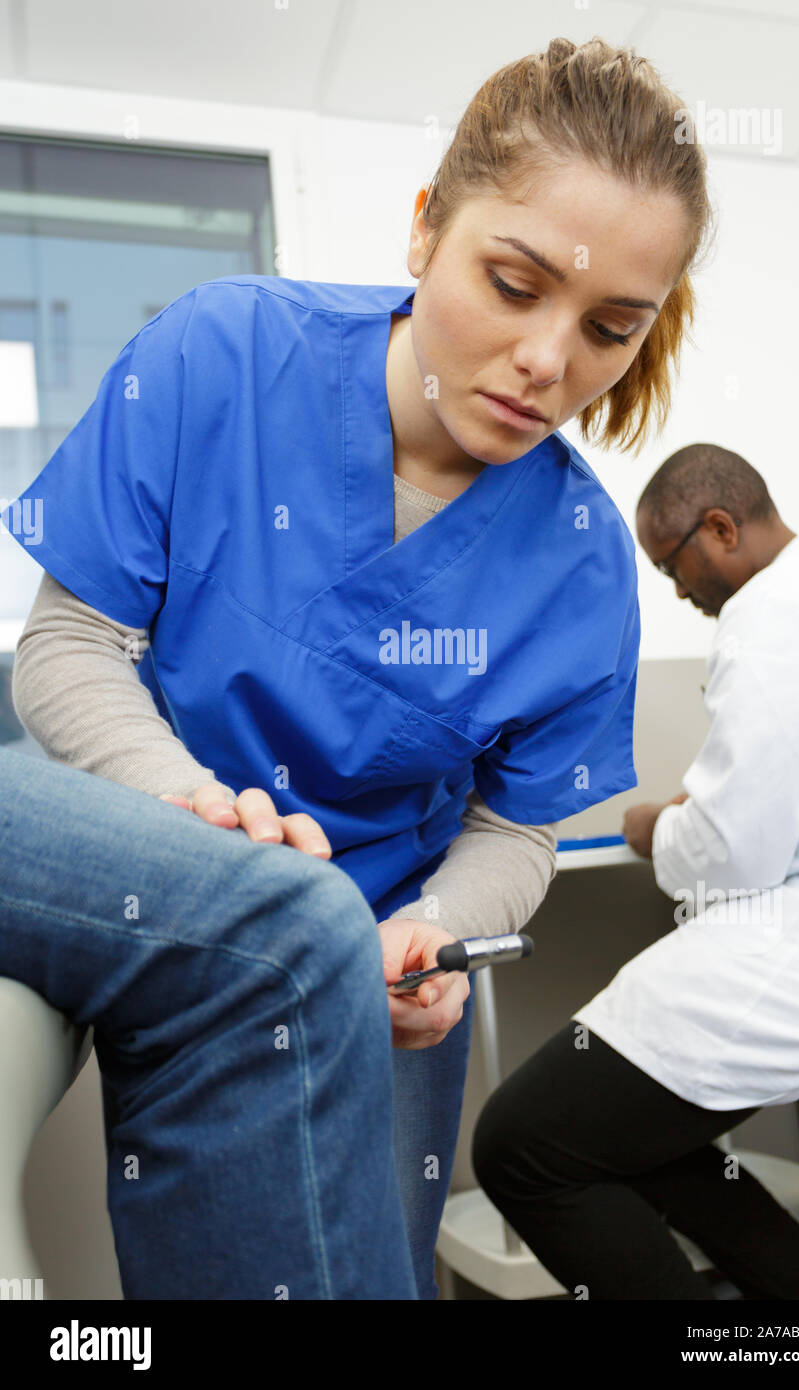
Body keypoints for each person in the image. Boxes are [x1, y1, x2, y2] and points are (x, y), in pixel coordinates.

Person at [2, 36, 712, 1298]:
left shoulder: (579, 562)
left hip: (369, 954)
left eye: (610, 327)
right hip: (152, 849)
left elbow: (516, 831)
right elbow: (69, 647)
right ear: (424, 226)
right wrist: (201, 821)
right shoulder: (222, 353)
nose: (550, 362)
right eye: (510, 282)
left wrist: (430, 931)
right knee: (289, 920)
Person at [473, 443, 799, 1299]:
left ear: (719, 527)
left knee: (525, 1144)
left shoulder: (779, 609)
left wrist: (660, 827)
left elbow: (736, 854)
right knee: (636, 1133)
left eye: (675, 567)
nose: (681, 593)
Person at [0, 743, 418, 1299]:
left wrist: (451, 919)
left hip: (406, 885)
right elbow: (66, 652)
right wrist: (200, 808)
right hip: (206, 801)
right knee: (291, 934)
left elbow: (512, 824)